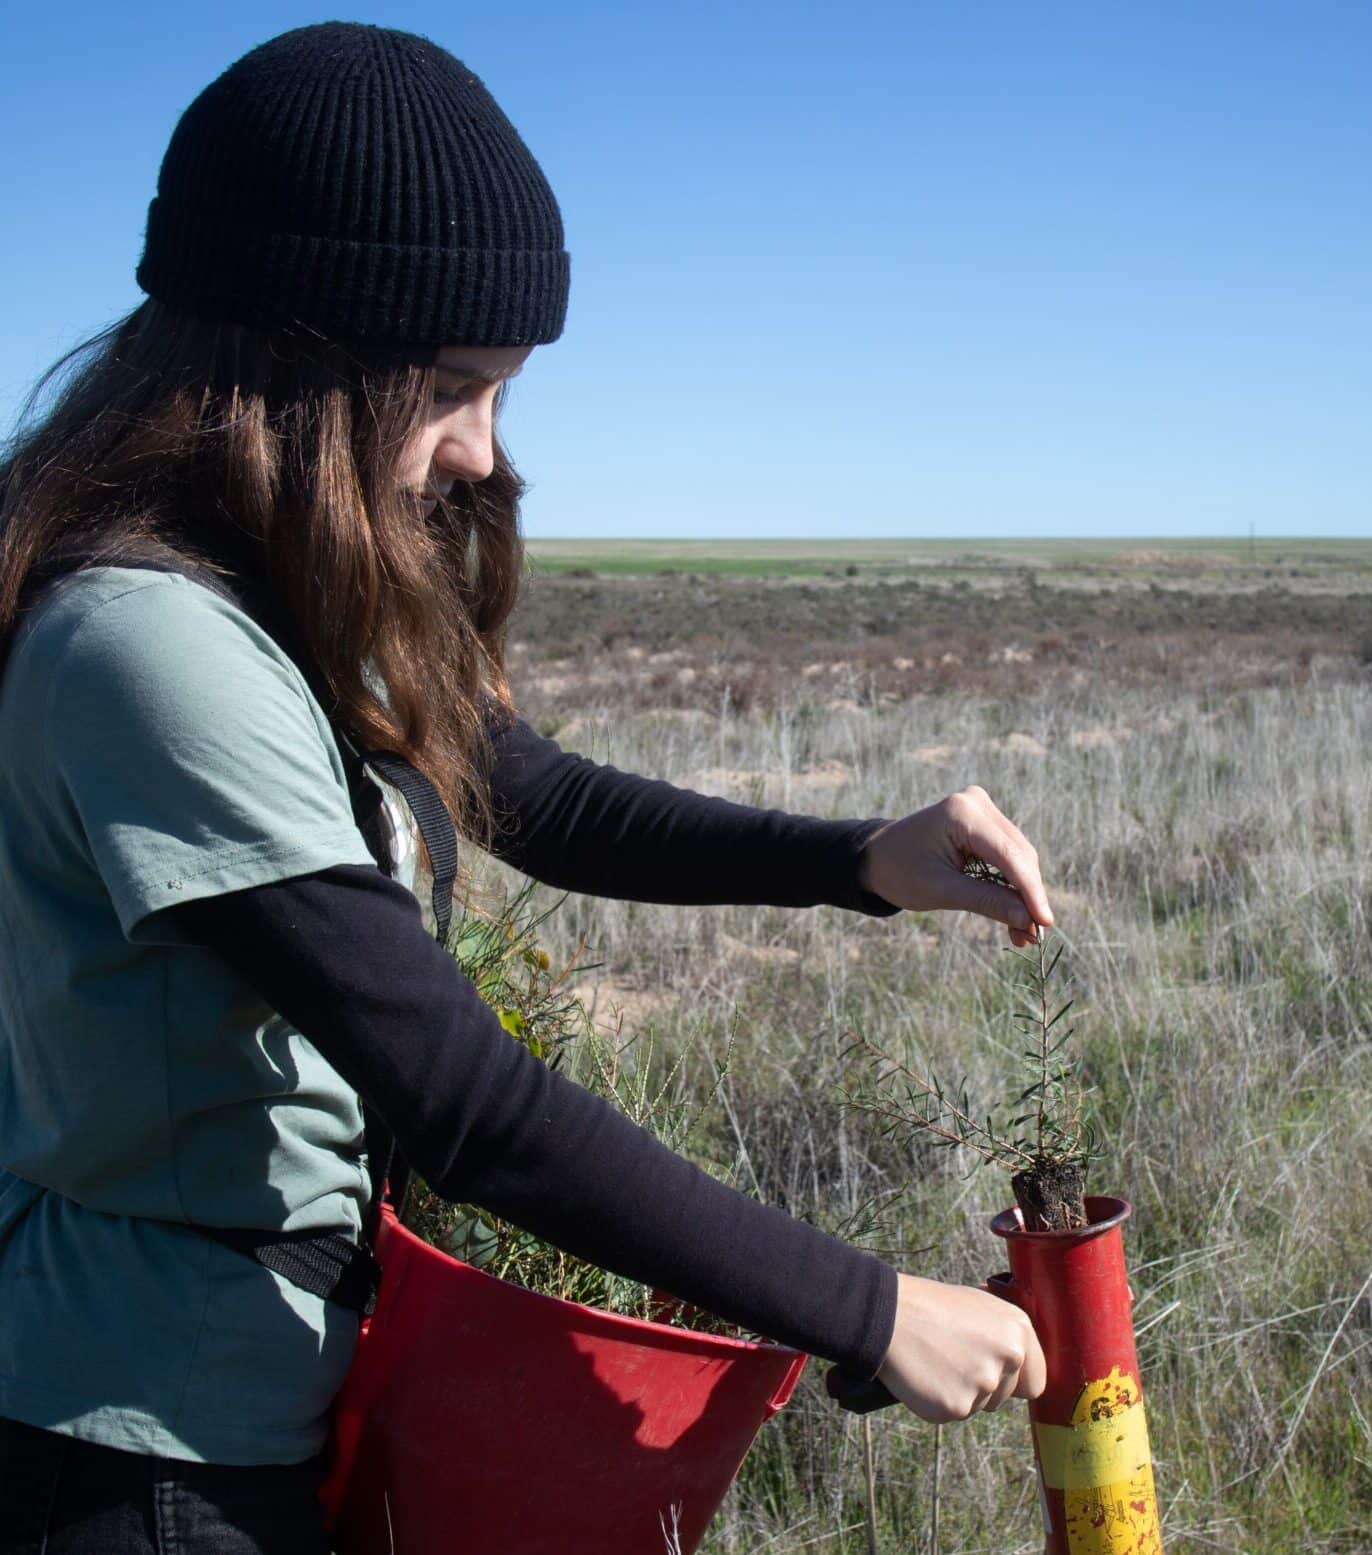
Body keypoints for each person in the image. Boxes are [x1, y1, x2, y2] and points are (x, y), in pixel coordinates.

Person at [0, 22, 1048, 1554]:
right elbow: (462, 1095)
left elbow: (529, 793)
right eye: (455, 390)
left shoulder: (265, 594)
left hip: (268, 1386)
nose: (484, 458)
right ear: (304, 370)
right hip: (145, 1449)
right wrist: (866, 1306)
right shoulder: (144, 645)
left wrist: (859, 859)